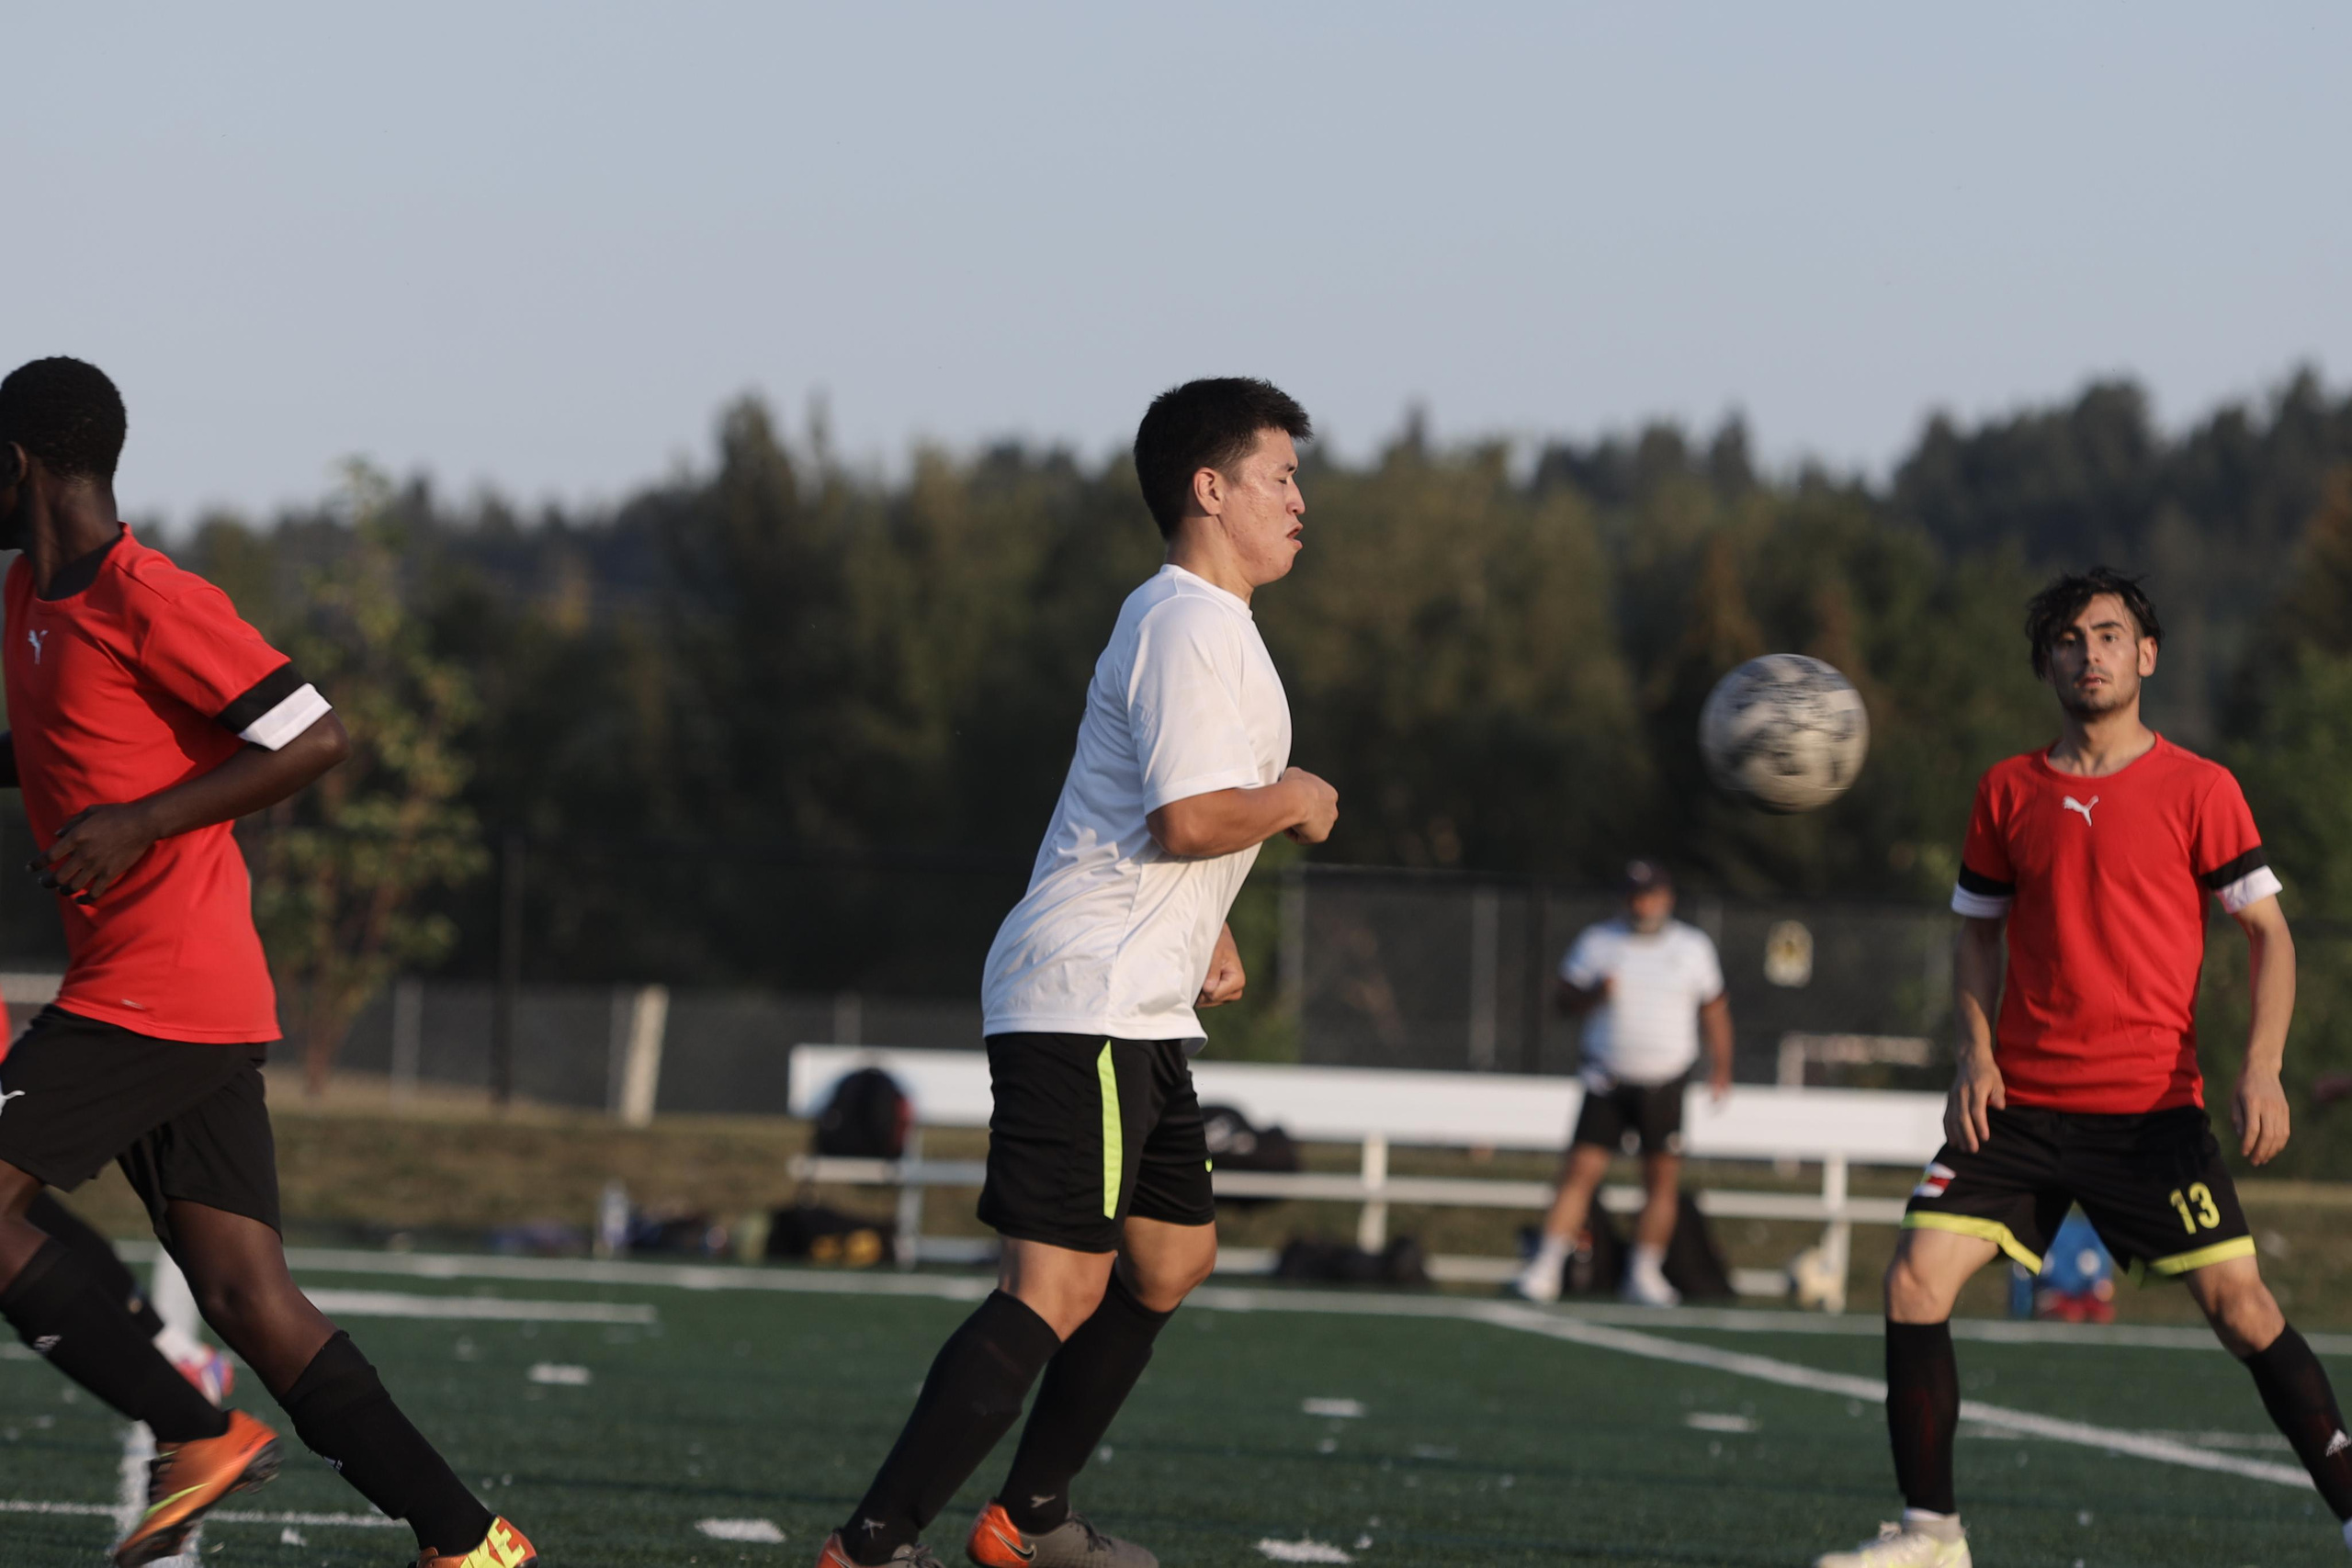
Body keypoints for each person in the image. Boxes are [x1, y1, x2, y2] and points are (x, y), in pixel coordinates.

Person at [0, 358, 535, 1568]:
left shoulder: (149, 593)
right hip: (187, 998)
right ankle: (474, 1542)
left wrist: (141, 824)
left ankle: (195, 1429)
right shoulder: (31, 598)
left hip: (158, 985)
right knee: (253, 1299)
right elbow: (56, 741)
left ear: (18, 464)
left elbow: (316, 731)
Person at [814, 378, 1338, 1568]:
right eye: (1281, 476)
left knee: (1172, 1255)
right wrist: (1299, 799)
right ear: (1210, 490)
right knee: (1053, 1285)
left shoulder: (1214, 627)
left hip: (1135, 996)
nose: (1301, 502)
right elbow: (1192, 810)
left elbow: (1164, 820)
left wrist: (1205, 918)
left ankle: (1027, 1516)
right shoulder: (1186, 623)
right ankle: (873, 1541)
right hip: (1087, 1000)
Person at [1817, 568, 2352, 1568]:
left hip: (2149, 1115)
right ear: (2047, 663)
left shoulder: (2201, 788)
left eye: (2109, 635)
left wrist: (2264, 1066)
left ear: (2145, 655)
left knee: (2242, 1311)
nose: (2090, 653)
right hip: (2018, 1107)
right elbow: (1975, 937)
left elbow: (2269, 936)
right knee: (1912, 1282)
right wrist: (1974, 1054)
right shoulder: (2006, 790)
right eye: (2069, 639)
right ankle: (1930, 1537)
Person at [1512, 858, 1731, 1308]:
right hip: (1607, 1079)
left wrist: (1721, 1067)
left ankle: (1644, 1273)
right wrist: (1595, 994)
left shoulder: (1692, 947)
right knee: (1580, 1173)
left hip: (1665, 1082)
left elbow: (1714, 1011)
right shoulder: (1598, 942)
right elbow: (1562, 1001)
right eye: (1635, 894)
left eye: (1650, 894)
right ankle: (1548, 1265)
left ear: (1666, 898)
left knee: (1661, 1181)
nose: (1643, 903)